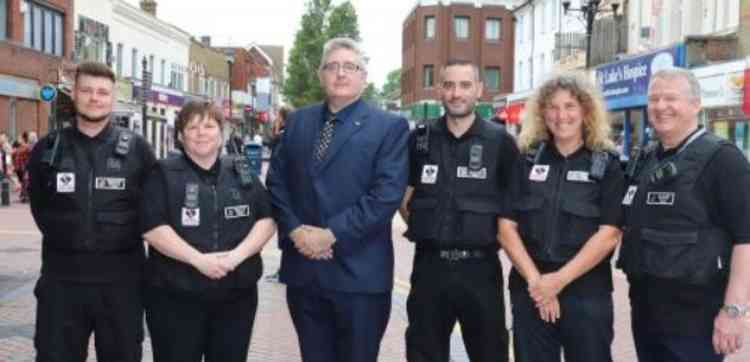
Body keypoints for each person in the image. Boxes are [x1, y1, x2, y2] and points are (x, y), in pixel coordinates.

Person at [266, 37, 409, 362]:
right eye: (332, 66)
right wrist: (296, 231)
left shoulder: (389, 127)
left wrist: (329, 234)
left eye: (350, 67)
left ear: (364, 76)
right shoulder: (298, 121)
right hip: (304, 273)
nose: (341, 73)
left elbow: (385, 196)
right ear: (320, 75)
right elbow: (276, 182)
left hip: (359, 278)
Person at [26, 61, 156, 362]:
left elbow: (151, 212)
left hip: (121, 286)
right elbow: (39, 207)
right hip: (61, 284)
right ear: (74, 94)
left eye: (102, 92)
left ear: (112, 98)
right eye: (86, 90)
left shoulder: (139, 151)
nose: (94, 98)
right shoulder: (47, 149)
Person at [618, 68, 750, 362]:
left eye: (671, 98)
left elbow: (746, 239)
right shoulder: (648, 158)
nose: (661, 106)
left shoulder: (723, 159)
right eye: (654, 99)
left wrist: (734, 311)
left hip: (696, 316)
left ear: (695, 105)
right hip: (647, 311)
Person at [498, 72, 625, 362]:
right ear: (542, 112)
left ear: (585, 111)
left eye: (570, 106)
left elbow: (608, 235)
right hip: (531, 289)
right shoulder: (527, 159)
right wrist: (537, 283)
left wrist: (557, 281)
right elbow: (505, 227)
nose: (561, 115)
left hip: (586, 294)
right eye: (553, 107)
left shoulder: (608, 165)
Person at [398, 59, 516, 362]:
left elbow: (514, 206)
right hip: (429, 268)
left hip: (480, 270)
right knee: (423, 352)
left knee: (490, 353)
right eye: (449, 85)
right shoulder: (420, 139)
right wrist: (428, 225)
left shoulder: (500, 142)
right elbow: (404, 196)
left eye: (465, 85)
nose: (456, 93)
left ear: (479, 90)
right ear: (440, 89)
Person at [140, 100, 275, 362]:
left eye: (209, 125)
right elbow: (152, 227)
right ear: (180, 136)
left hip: (235, 297)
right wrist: (198, 260)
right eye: (192, 127)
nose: (201, 133)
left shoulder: (242, 171)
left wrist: (235, 257)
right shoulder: (163, 174)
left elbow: (267, 219)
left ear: (221, 133)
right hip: (175, 298)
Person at [265, 105, 291, 282]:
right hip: (289, 193)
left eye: (278, 117)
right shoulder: (291, 136)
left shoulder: (283, 138)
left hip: (285, 194)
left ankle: (286, 272)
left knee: (286, 234)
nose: (275, 120)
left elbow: (277, 169)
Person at [12, 132, 30, 202]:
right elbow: (13, 155)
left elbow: (28, 156)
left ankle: (24, 196)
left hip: (23, 167)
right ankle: (23, 195)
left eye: (19, 138)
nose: (18, 139)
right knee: (22, 181)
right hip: (18, 167)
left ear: (23, 139)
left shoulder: (26, 147)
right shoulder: (19, 147)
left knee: (24, 181)